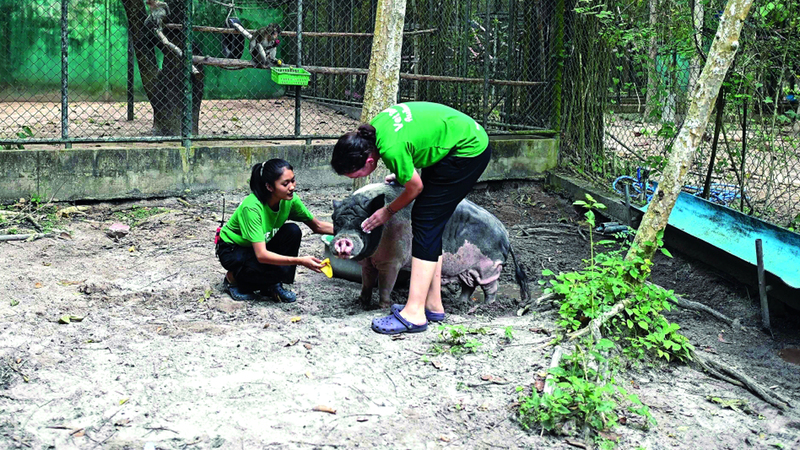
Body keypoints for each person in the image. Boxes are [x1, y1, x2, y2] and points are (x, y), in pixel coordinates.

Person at [330, 102, 491, 334]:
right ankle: (433, 304)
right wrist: (403, 173)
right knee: (429, 224)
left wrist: (387, 211)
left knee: (426, 221)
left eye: (354, 174)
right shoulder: (373, 131)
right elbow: (414, 140)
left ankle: (414, 313)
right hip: (455, 140)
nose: (353, 178)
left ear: (369, 162)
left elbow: (415, 188)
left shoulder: (390, 149)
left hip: (467, 151)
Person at [216, 159, 333, 302]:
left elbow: (318, 226)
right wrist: (301, 261)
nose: (292, 187)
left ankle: (272, 284)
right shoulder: (252, 207)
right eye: (285, 184)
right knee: (273, 266)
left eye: (293, 180)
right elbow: (262, 255)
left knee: (292, 231)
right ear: (269, 187)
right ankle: (233, 278)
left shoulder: (290, 200)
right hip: (234, 249)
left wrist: (352, 232)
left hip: (259, 244)